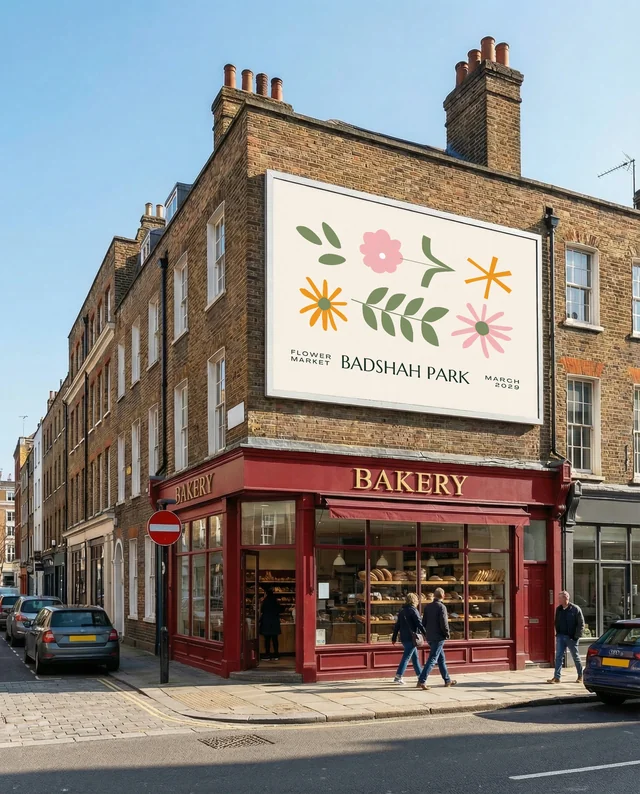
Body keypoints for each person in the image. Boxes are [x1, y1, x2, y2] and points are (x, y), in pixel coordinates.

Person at [417, 587, 458, 690]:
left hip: (430, 636)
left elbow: (424, 622)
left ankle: (447, 680)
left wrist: (425, 634)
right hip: (438, 636)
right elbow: (444, 623)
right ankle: (422, 680)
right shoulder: (441, 607)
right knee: (433, 659)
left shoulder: (427, 607)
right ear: (443, 596)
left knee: (441, 659)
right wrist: (447, 634)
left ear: (434, 596)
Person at [548, 590, 585, 684]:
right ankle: (557, 677)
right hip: (561, 636)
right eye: (558, 598)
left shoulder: (575, 609)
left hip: (571, 637)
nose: (559, 600)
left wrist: (576, 636)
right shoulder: (559, 609)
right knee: (559, 657)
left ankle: (580, 675)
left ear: (566, 598)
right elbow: (556, 621)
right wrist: (558, 632)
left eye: (560, 598)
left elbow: (581, 624)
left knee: (575, 656)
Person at [391, 593, 427, 684]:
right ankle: (398, 677)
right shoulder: (414, 611)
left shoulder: (402, 611)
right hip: (412, 638)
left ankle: (420, 676)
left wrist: (394, 637)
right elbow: (419, 624)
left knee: (415, 657)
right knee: (406, 657)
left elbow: (397, 625)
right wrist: (426, 634)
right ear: (415, 601)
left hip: (404, 637)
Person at [260, 585, 283, 661]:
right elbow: (280, 609)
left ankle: (267, 654)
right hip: (274, 622)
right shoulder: (275, 600)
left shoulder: (265, 601)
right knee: (275, 639)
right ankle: (276, 654)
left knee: (267, 640)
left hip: (266, 622)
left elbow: (262, 610)